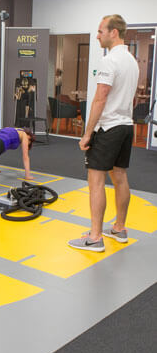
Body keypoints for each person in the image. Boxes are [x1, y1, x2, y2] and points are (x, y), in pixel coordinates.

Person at [68, 14, 138, 252]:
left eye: (100, 31)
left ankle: (95, 237)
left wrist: (87, 133)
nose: (97, 36)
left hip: (108, 128)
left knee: (96, 182)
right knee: (120, 177)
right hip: (126, 126)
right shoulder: (131, 60)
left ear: (113, 32)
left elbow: (100, 97)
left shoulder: (110, 61)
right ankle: (119, 227)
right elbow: (133, 97)